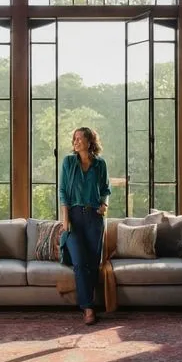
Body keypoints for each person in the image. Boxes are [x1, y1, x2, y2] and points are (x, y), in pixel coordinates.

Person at [59, 127, 111, 325]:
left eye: (80, 138)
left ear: (90, 142)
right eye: (74, 138)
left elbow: (106, 188)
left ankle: (89, 305)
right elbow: (63, 191)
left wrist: (104, 204)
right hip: (74, 217)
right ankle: (88, 308)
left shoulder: (100, 164)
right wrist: (65, 220)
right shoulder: (68, 162)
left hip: (94, 218)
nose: (76, 141)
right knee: (79, 262)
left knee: (91, 264)